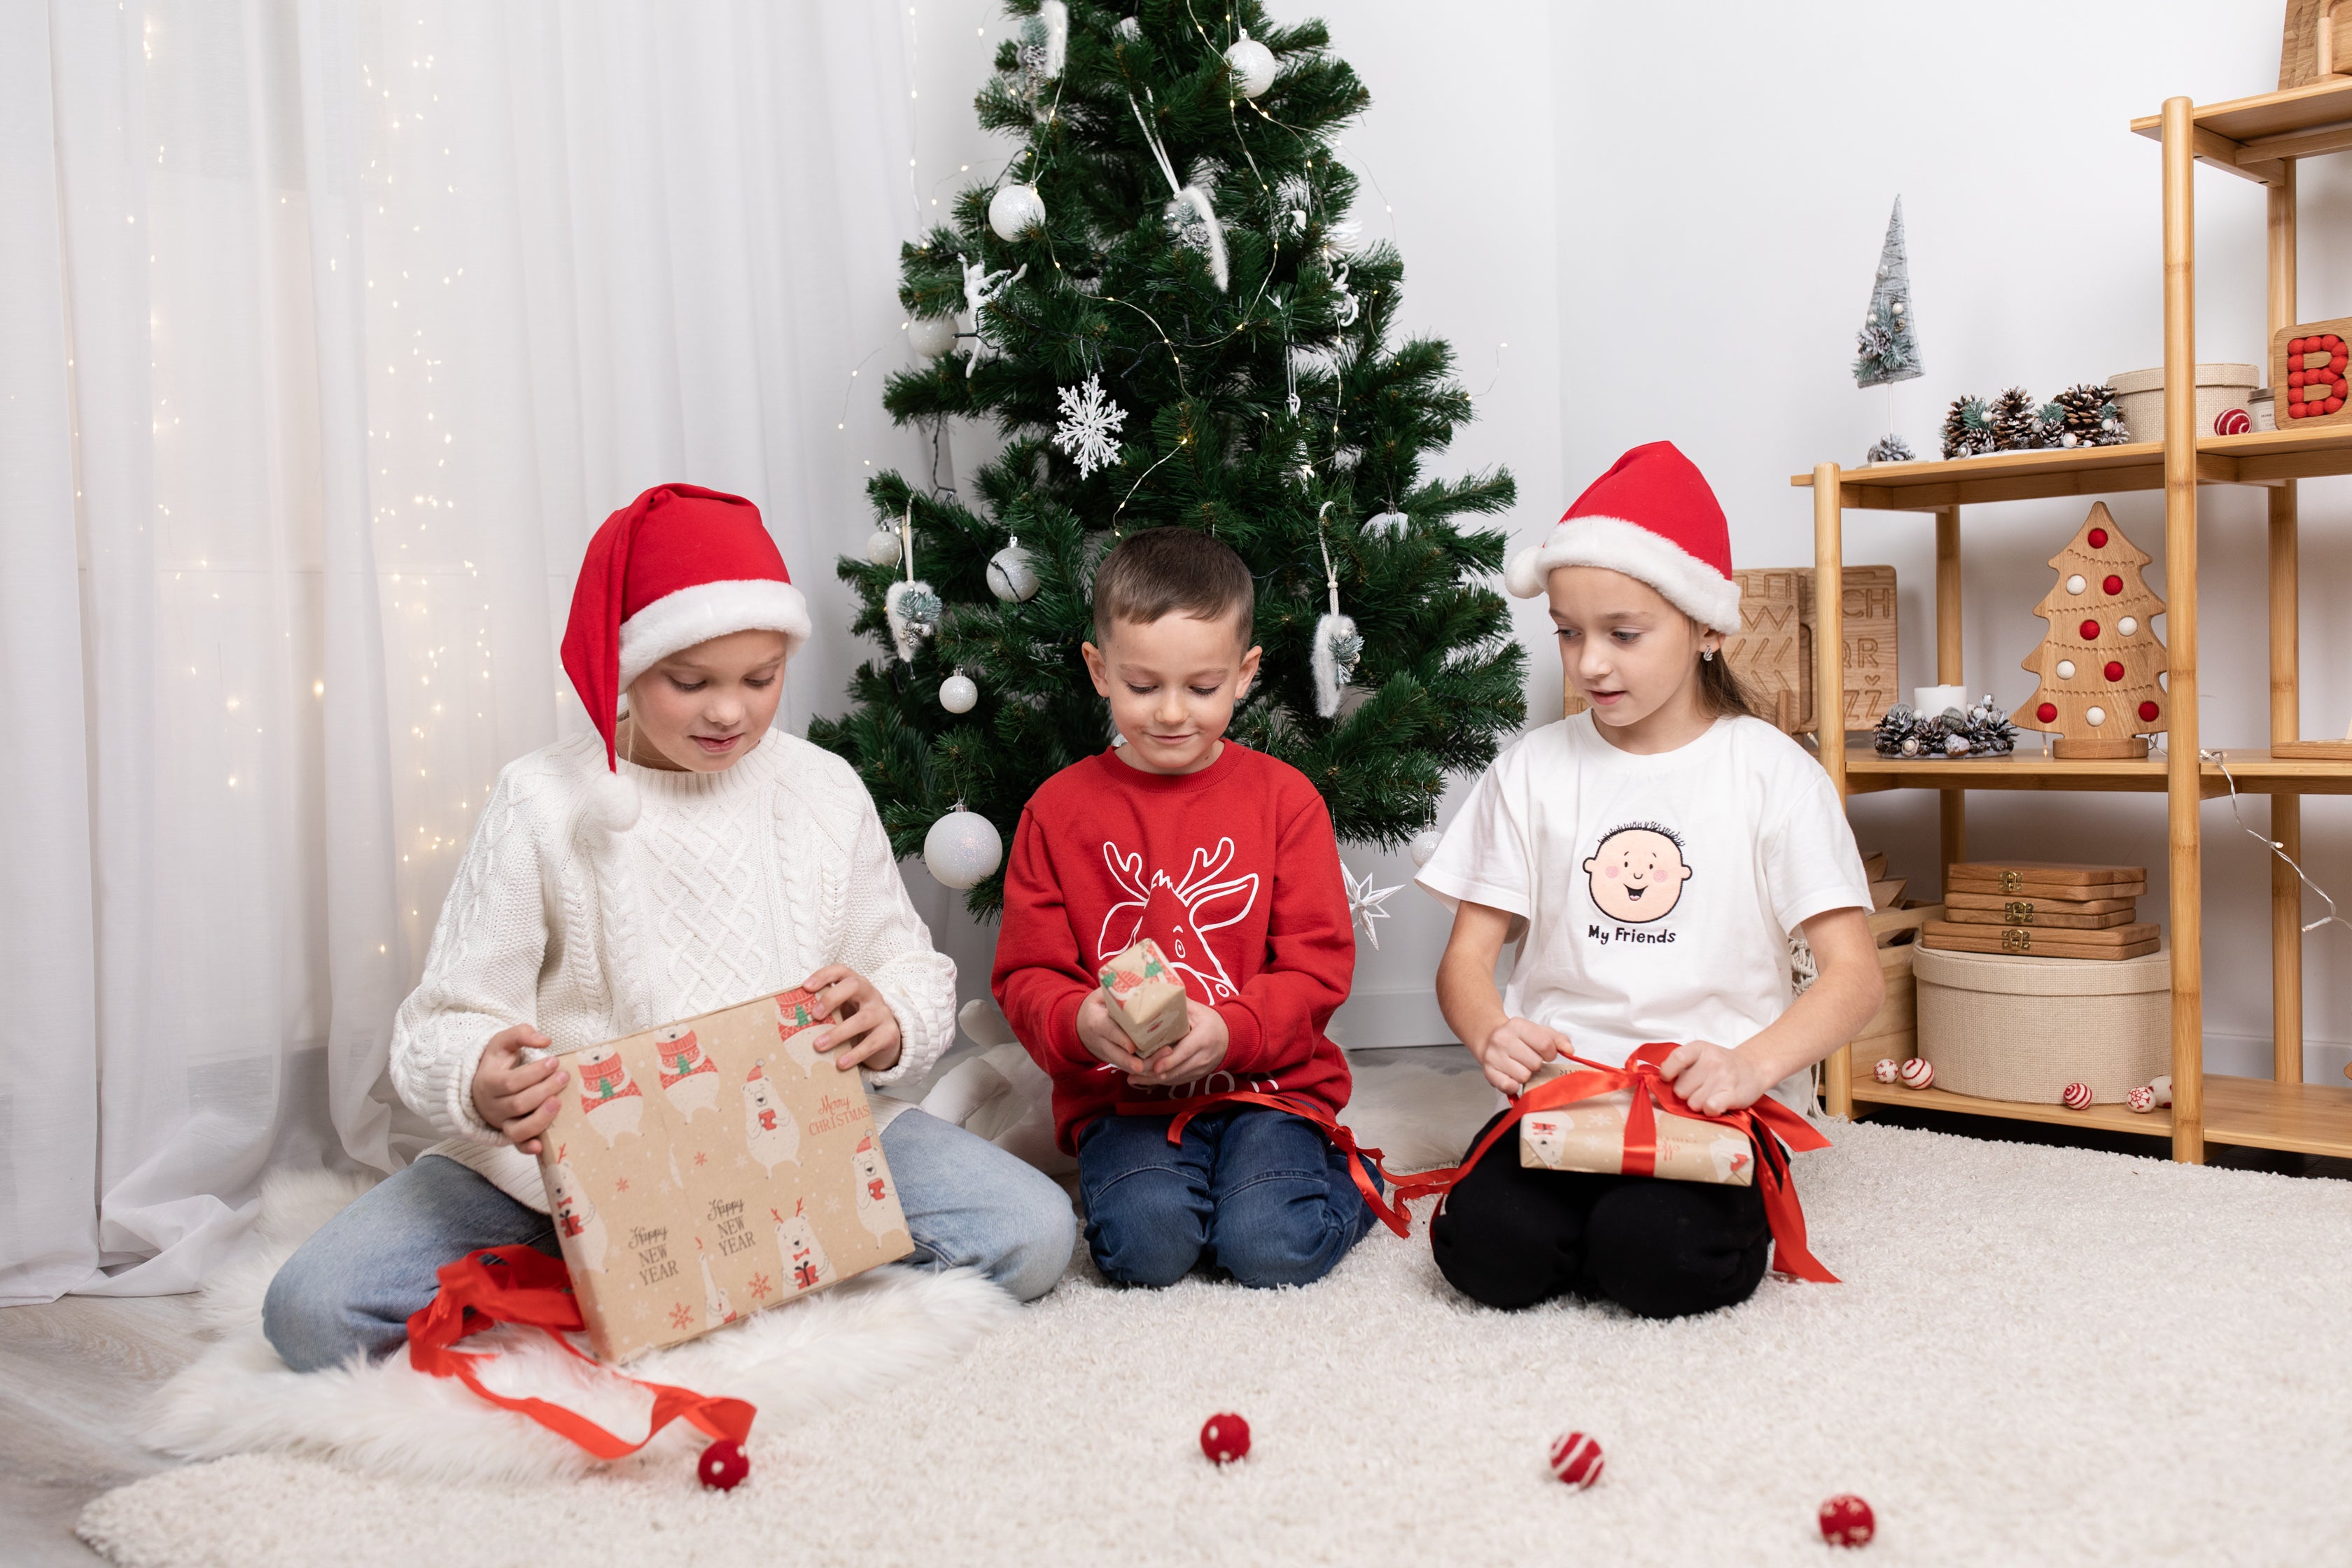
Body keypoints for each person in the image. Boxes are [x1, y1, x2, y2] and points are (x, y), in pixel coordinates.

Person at [263, 484, 1074, 1370]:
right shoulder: (540, 800)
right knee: (312, 1314)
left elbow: (904, 962)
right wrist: (480, 1077)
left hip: (800, 1140)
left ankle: (731, 1258)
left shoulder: (821, 787)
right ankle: (612, 1263)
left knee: (1033, 1232)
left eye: (760, 679)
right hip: (571, 1167)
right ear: (622, 666)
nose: (729, 711)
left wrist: (889, 1018)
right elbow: (446, 1017)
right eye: (690, 683)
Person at [1416, 442, 1882, 1319]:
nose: (1590, 662)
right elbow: (1466, 962)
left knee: (1658, 1256)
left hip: (1713, 1106)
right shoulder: (1533, 769)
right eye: (1567, 630)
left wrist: (1753, 1065)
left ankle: (1636, 1222)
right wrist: (1490, 1033)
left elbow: (1855, 979)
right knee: (1488, 1254)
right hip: (1564, 1094)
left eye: (1623, 634)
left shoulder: (1773, 774)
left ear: (1708, 627)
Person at [991, 528, 1374, 1289]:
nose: (1171, 713)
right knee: (1147, 1250)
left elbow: (1316, 965)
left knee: (1269, 1247)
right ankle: (1195, 1194)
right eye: (1142, 686)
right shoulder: (1056, 811)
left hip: (1269, 1088)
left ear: (1245, 673)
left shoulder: (1284, 800)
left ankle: (1343, 1174)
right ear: (1099, 670)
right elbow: (1028, 972)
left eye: (1202, 688)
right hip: (1125, 1100)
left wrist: (1232, 1027)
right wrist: (1082, 1021)